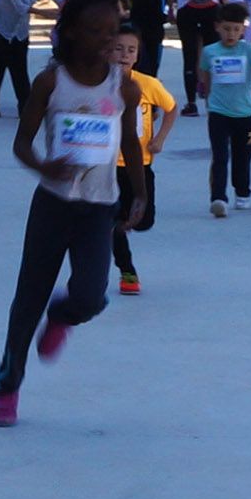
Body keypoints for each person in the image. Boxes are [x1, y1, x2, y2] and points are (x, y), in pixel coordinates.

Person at [0, 0, 146, 428]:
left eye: (112, 32)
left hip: (99, 207)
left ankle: (63, 315)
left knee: (92, 295)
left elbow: (130, 141)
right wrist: (43, 165)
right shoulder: (51, 83)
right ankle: (7, 385)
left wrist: (140, 192)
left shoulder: (123, 86)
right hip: (53, 206)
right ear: (70, 33)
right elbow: (21, 142)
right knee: (27, 300)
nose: (106, 41)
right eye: (95, 31)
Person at [109, 24, 175, 296]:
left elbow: (171, 109)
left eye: (131, 50)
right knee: (114, 224)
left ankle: (123, 224)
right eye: (118, 49)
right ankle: (127, 272)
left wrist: (159, 138)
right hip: (107, 166)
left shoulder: (148, 84)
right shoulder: (98, 83)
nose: (124, 54)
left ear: (137, 56)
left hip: (140, 165)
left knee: (144, 221)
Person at [199, 1, 251, 217]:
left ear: (243, 30)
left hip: (245, 116)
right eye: (227, 28)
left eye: (236, 29)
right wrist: (208, 102)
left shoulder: (248, 51)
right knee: (219, 156)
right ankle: (218, 198)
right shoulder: (210, 52)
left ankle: (243, 192)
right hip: (219, 114)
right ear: (218, 27)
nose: (231, 34)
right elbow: (206, 77)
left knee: (243, 157)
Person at [130, 0, 169, 79]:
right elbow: (158, 15)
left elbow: (134, 14)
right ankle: (151, 79)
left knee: (140, 58)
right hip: (154, 33)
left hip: (140, 31)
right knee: (153, 60)